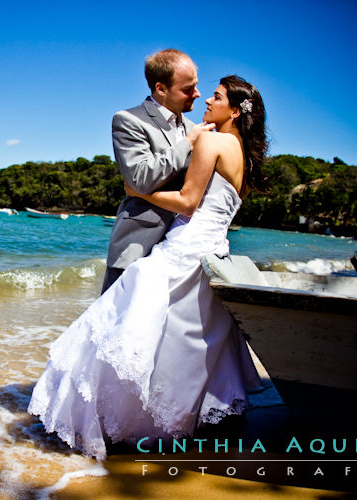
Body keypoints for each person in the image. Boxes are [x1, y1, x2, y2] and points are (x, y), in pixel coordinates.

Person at [28, 75, 268, 460]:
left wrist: (138, 190)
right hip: (213, 251)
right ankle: (178, 419)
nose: (207, 99)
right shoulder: (246, 156)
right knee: (186, 340)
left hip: (186, 246)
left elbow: (189, 202)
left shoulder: (212, 141)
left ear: (235, 111)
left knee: (132, 324)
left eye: (217, 97)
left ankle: (122, 419)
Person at [102, 49, 215, 293]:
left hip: (181, 251)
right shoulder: (128, 120)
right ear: (161, 89)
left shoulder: (193, 128)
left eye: (195, 86)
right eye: (187, 89)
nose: (197, 94)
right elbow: (141, 179)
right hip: (137, 245)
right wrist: (188, 144)